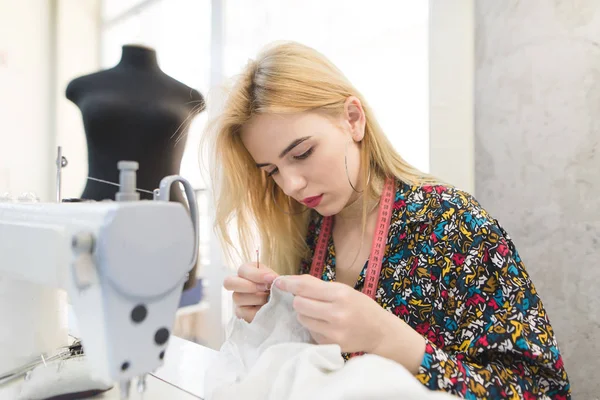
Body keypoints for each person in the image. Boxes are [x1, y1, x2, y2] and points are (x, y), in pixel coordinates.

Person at [207, 41, 571, 399]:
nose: (291, 185)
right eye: (272, 171)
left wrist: (390, 339)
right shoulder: (307, 231)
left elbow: (543, 391)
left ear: (353, 120)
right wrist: (266, 321)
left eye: (302, 153)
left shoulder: (453, 225)